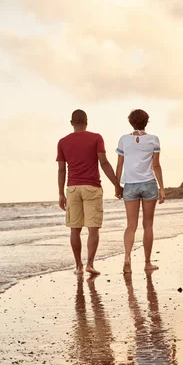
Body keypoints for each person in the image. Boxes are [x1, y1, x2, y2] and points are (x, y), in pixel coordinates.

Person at [57, 109, 122, 275]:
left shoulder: (62, 142)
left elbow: (61, 170)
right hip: (92, 188)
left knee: (74, 229)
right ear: (86, 121)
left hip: (72, 189)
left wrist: (61, 194)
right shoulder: (96, 138)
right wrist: (117, 185)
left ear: (71, 123)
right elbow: (104, 163)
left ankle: (78, 266)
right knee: (93, 229)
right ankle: (89, 264)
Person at [115, 109, 165, 274]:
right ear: (146, 121)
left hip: (130, 185)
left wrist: (117, 186)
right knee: (148, 225)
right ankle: (147, 263)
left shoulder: (124, 140)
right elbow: (156, 165)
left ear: (130, 122)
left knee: (131, 225)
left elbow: (119, 165)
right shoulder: (153, 140)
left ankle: (127, 258)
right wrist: (162, 188)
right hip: (149, 184)